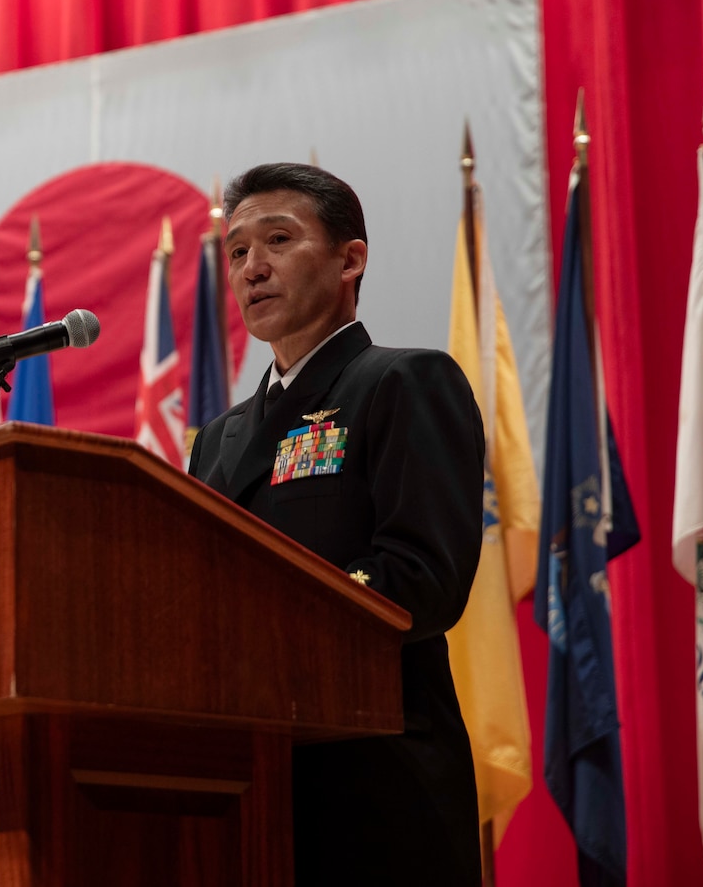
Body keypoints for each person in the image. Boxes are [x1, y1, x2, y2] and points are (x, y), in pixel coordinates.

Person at [188, 162, 484, 885]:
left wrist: (261, 620)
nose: (252, 268)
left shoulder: (402, 382)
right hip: (248, 789)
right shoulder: (216, 439)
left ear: (350, 259)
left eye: (278, 240)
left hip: (376, 788)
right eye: (237, 251)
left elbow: (423, 579)